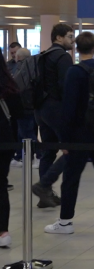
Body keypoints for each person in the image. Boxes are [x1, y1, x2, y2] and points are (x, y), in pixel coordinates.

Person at [43, 32, 94, 234]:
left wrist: (65, 140)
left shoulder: (74, 72)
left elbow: (68, 109)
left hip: (79, 135)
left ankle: (65, 222)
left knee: (71, 179)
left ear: (76, 48)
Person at [33, 24, 74, 208]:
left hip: (40, 110)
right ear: (58, 37)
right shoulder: (63, 57)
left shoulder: (43, 55)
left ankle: (45, 196)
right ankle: (45, 185)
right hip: (57, 109)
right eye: (69, 36)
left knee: (48, 152)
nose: (72, 39)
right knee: (73, 148)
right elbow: (67, 86)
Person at [0, 54, 23, 247]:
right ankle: (3, 232)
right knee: (0, 184)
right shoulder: (8, 85)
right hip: (5, 141)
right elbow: (19, 112)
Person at [10, 48, 39, 169]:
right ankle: (22, 156)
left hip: (22, 106)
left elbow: (15, 86)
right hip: (33, 105)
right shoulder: (34, 67)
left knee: (26, 133)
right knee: (25, 132)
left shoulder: (19, 68)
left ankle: (39, 155)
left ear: (18, 57)